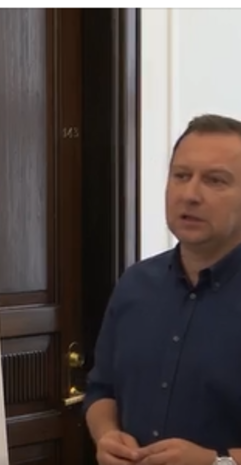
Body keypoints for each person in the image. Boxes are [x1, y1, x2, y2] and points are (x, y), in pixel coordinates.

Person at [84, 114, 241, 465]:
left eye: (215, 180)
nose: (190, 194)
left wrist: (216, 462)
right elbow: (101, 390)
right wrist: (106, 434)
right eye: (181, 176)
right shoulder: (135, 285)